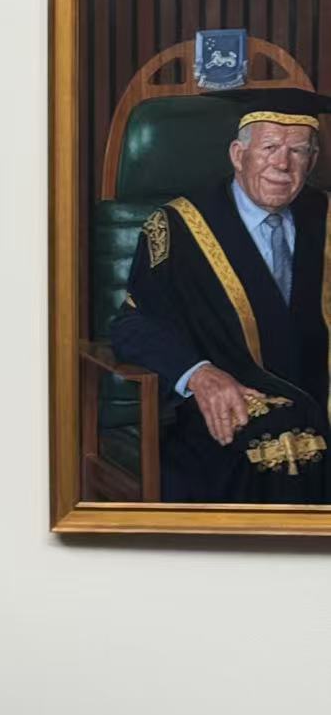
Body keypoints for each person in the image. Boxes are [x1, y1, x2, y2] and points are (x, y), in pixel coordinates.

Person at [111, 96, 331, 502]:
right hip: (228, 398)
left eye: (298, 151)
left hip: (319, 388)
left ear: (313, 160)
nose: (282, 164)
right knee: (284, 447)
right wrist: (198, 374)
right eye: (269, 147)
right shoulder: (177, 226)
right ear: (237, 154)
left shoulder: (325, 214)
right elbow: (133, 324)